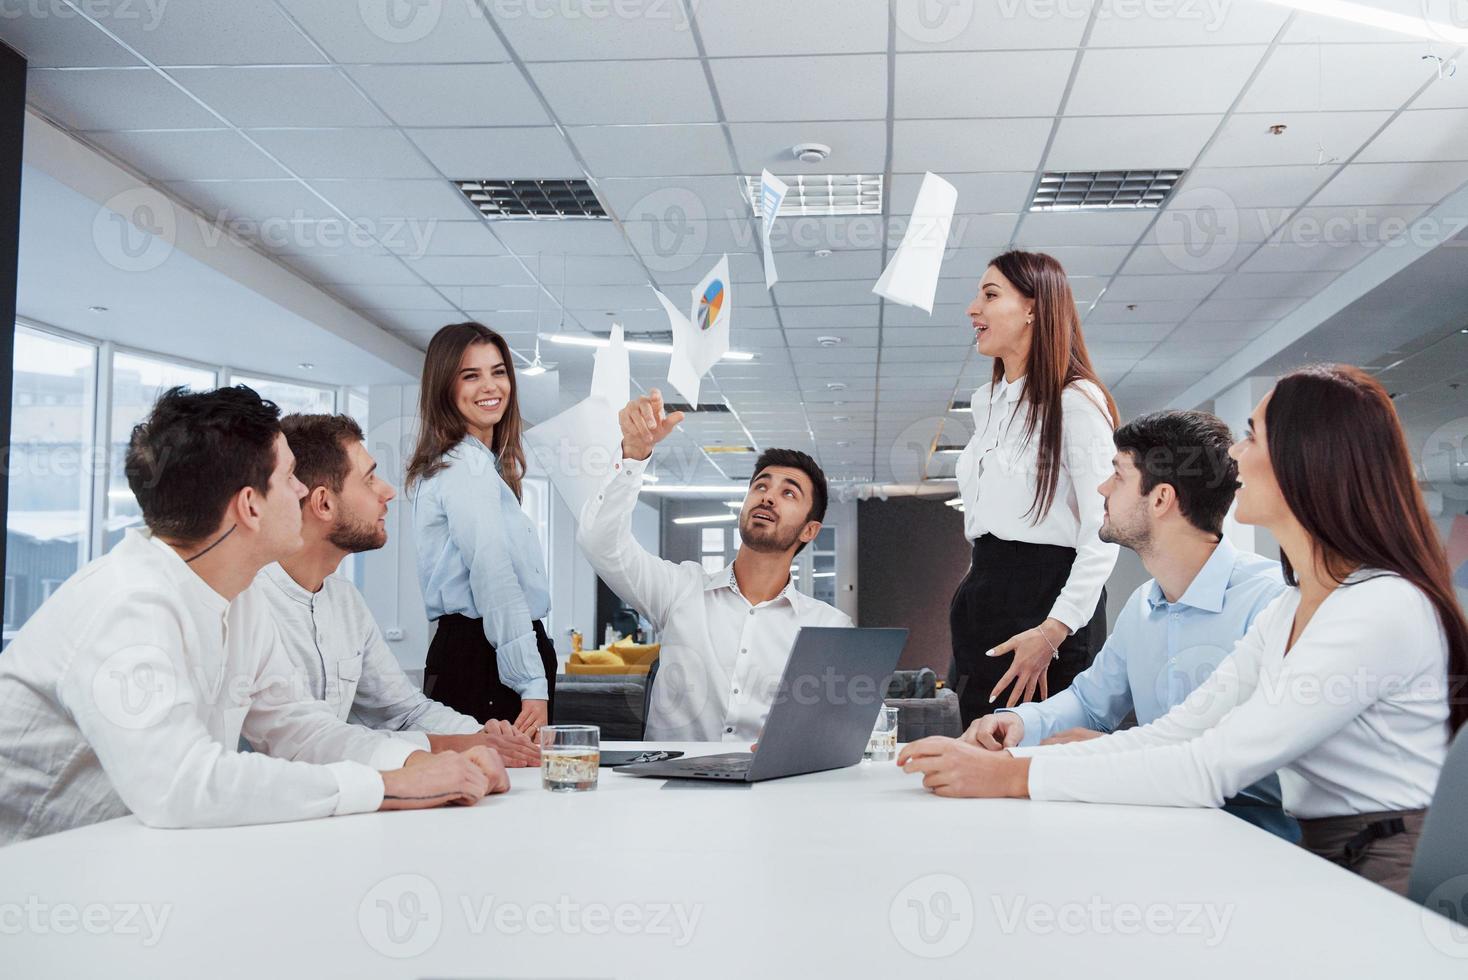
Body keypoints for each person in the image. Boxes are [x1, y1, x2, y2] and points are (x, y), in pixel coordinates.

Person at [899, 365, 1468, 895]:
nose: (1235, 456)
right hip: (1321, 850)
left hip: (1378, 864)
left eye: (1252, 436)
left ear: (1303, 461)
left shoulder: (1377, 608)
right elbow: (1177, 734)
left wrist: (1009, 778)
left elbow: (1210, 766)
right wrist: (1010, 763)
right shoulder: (1292, 608)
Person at [0, 386, 509, 846]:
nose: (304, 493)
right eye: (289, 477)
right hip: (36, 877)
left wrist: (427, 763)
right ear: (250, 506)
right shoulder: (126, 606)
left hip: (131, 858)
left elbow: (299, 728)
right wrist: (388, 785)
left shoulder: (235, 597)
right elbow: (183, 785)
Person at [963, 410, 1296, 839]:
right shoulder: (1144, 606)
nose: (1101, 488)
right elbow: (1090, 703)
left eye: (1117, 476)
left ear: (1160, 499)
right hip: (1160, 825)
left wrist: (1099, 755)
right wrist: (1019, 723)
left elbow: (1243, 757)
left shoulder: (1269, 602)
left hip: (1257, 839)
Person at [257, 413, 540, 767]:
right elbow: (307, 742)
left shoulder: (343, 600)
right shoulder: (251, 605)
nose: (388, 491)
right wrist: (456, 744)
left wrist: (482, 736)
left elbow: (404, 710)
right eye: (369, 478)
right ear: (324, 503)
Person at [577, 390, 853, 742]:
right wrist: (633, 457)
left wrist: (800, 744)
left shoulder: (829, 627)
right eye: (761, 486)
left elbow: (855, 732)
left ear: (810, 530)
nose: (767, 495)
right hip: (668, 791)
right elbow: (600, 545)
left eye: (789, 493)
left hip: (770, 792)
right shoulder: (680, 591)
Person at [950, 249, 1120, 726]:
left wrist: (1054, 631)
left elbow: (1102, 532)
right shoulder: (990, 403)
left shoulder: (1076, 402)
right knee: (978, 761)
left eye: (989, 295)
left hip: (1044, 609)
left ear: (1033, 308)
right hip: (987, 600)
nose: (973, 309)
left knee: (1032, 765)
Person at [407, 322, 555, 736]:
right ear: (445, 388)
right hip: (487, 660)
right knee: (509, 791)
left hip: (483, 652)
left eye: (499, 371)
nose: (491, 386)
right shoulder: (465, 466)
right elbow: (494, 577)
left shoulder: (476, 465)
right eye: (471, 375)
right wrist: (530, 680)